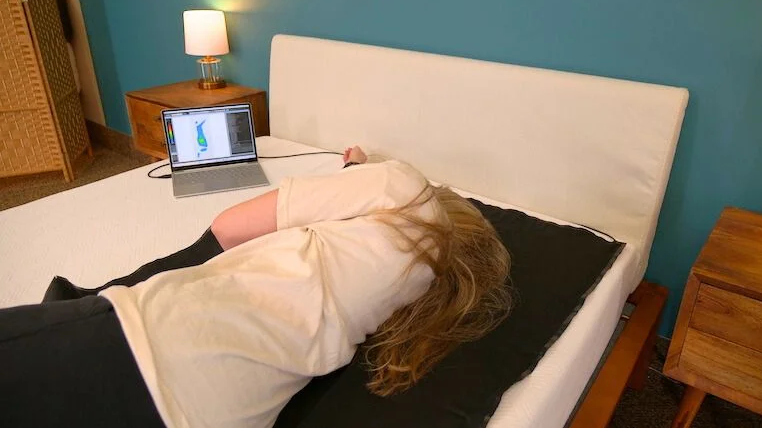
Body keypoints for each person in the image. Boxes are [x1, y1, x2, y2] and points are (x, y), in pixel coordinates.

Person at [0, 146, 511, 428]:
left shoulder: (407, 189)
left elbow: (229, 227)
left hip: (151, 348)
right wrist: (353, 173)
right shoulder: (415, 293)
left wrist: (360, 175)